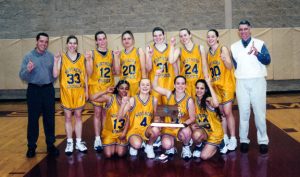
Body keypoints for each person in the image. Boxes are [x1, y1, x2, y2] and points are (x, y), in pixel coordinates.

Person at [231, 20, 271, 154]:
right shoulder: (234, 47)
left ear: (250, 29)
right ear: (238, 31)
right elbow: (236, 66)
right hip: (241, 82)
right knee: (243, 112)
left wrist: (257, 53)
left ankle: (263, 141)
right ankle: (243, 140)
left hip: (257, 81)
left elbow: (267, 60)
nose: (243, 31)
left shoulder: (259, 44)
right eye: (241, 29)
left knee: (259, 113)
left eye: (245, 29)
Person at [19, 32, 59, 158]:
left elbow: (54, 76)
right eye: (41, 41)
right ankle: (31, 147)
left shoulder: (51, 56)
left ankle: (50, 145)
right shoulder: (28, 56)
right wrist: (28, 70)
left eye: (46, 42)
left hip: (48, 90)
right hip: (34, 91)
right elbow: (22, 75)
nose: (44, 44)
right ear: (36, 42)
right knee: (33, 120)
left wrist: (58, 63)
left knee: (49, 119)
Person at [53, 35, 88, 155]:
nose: (72, 45)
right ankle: (69, 142)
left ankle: (78, 141)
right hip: (66, 92)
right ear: (67, 44)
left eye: (74, 43)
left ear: (77, 45)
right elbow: (55, 75)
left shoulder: (82, 57)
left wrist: (87, 90)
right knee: (68, 117)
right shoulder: (62, 57)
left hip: (79, 92)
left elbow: (85, 76)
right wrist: (56, 61)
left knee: (78, 116)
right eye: (70, 43)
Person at [85, 31, 119, 153]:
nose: (102, 41)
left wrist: (117, 57)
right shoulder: (92, 54)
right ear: (96, 41)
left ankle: (105, 135)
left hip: (109, 87)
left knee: (106, 114)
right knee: (97, 113)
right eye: (99, 39)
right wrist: (88, 60)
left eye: (104, 38)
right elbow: (89, 73)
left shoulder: (111, 53)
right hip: (96, 87)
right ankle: (97, 138)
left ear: (106, 39)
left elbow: (116, 71)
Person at [152, 69, 196, 159]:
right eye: (178, 83)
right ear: (174, 85)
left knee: (187, 131)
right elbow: (155, 87)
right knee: (167, 145)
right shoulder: (169, 94)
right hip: (169, 127)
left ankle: (186, 146)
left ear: (185, 85)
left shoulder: (189, 100)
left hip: (181, 128)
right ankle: (171, 147)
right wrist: (157, 75)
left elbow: (192, 118)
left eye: (183, 83)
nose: (180, 86)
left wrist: (180, 125)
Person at [206, 29, 237, 153]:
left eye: (213, 36)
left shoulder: (223, 48)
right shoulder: (208, 54)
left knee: (228, 112)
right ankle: (224, 137)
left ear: (217, 38)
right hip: (216, 86)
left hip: (226, 84)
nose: (210, 39)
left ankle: (233, 138)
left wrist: (225, 59)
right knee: (222, 113)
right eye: (208, 37)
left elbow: (230, 66)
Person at [120, 78, 160, 158]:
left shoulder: (154, 100)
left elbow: (156, 115)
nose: (145, 87)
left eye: (147, 85)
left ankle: (149, 147)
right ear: (139, 87)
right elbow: (121, 116)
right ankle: (133, 145)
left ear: (151, 87)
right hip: (134, 130)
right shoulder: (133, 100)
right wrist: (123, 104)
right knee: (137, 145)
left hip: (146, 129)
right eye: (143, 85)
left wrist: (157, 121)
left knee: (156, 129)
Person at [90, 80, 130, 158]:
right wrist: (105, 91)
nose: (124, 90)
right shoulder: (110, 98)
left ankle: (122, 144)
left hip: (121, 133)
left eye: (126, 88)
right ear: (117, 89)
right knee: (108, 155)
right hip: (109, 133)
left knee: (120, 154)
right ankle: (114, 143)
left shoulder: (129, 100)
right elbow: (92, 98)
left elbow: (128, 119)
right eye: (121, 88)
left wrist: (124, 133)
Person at [169, 28, 209, 98]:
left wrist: (206, 81)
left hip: (198, 84)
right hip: (186, 84)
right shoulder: (179, 50)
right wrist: (172, 45)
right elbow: (171, 60)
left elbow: (204, 66)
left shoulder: (200, 48)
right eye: (181, 36)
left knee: (199, 107)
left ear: (190, 35)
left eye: (185, 35)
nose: (183, 38)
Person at [191, 78, 224, 160]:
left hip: (214, 133)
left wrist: (209, 84)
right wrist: (192, 124)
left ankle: (219, 144)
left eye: (202, 88)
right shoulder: (194, 100)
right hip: (204, 130)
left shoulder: (208, 99)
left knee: (203, 156)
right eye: (197, 88)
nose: (199, 90)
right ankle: (199, 146)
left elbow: (216, 104)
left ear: (206, 90)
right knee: (196, 135)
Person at [146, 27, 178, 104]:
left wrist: (177, 81)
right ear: (153, 37)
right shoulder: (149, 48)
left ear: (164, 36)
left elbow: (175, 67)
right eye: (155, 36)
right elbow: (148, 68)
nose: (158, 38)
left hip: (169, 83)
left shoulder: (171, 47)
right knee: (156, 113)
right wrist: (150, 56)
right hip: (155, 85)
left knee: (170, 111)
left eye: (160, 35)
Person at [117, 30, 146, 96]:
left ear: (133, 40)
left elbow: (143, 70)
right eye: (124, 39)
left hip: (136, 84)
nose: (126, 41)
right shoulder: (120, 53)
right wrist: (116, 57)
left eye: (129, 38)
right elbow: (117, 72)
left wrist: (143, 85)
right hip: (124, 86)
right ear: (122, 41)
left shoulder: (139, 51)